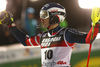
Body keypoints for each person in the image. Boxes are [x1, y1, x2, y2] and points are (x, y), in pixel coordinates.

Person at [0, 3, 100, 67]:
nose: (41, 19)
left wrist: (96, 24)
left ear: (55, 17)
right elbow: (25, 41)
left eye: (44, 15)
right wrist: (11, 25)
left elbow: (88, 39)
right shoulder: (42, 36)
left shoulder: (66, 34)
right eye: (41, 15)